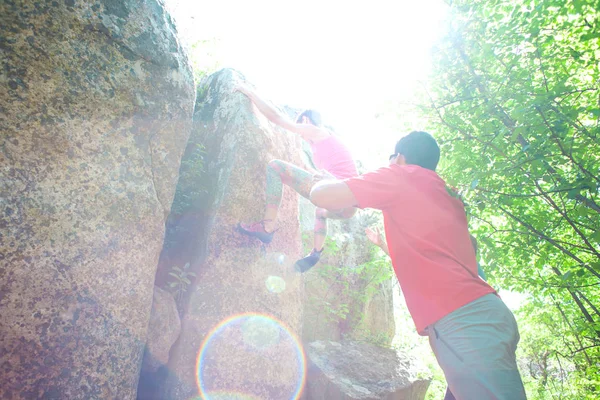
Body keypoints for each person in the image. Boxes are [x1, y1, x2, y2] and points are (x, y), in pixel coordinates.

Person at [310, 131, 526, 399]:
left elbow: (323, 196)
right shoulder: (447, 193)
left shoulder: (402, 175)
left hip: (465, 323)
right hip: (483, 316)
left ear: (400, 158)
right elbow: (427, 251)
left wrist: (321, 181)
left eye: (392, 159)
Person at [234, 83, 358, 272]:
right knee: (321, 211)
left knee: (275, 166)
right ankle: (316, 252)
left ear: (306, 121)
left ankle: (267, 227)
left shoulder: (318, 132)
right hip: (347, 207)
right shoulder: (326, 145)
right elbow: (314, 173)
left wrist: (251, 93)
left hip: (339, 192)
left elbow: (277, 118)